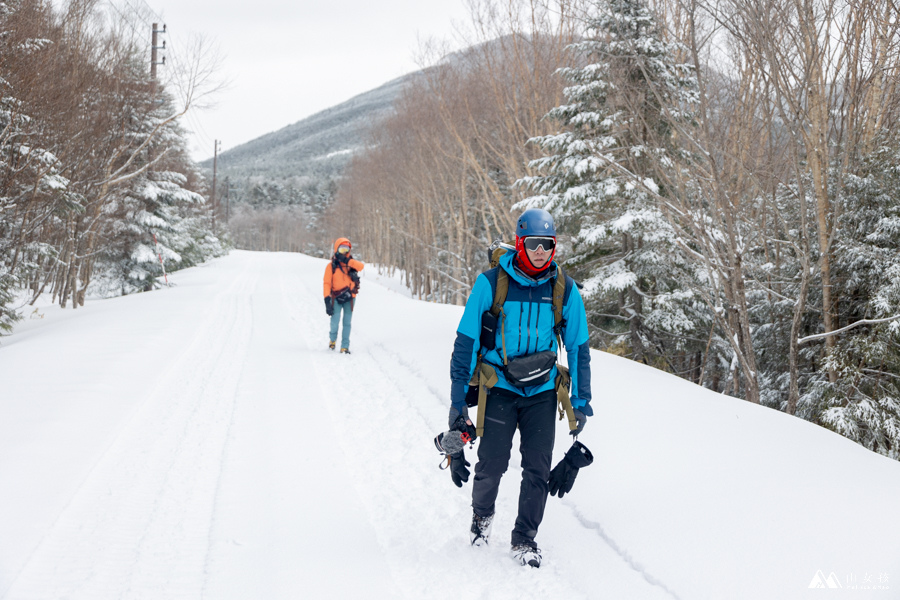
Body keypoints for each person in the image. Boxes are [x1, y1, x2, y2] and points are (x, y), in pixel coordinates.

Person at [447, 208, 592, 568]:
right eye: (533, 244)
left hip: (542, 391)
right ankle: (482, 518)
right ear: (519, 243)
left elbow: (578, 347)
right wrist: (456, 401)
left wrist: (581, 402)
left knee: (537, 469)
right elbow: (465, 342)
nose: (541, 251)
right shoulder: (491, 283)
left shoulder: (564, 289)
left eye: (548, 244)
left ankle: (524, 538)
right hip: (499, 386)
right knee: (491, 464)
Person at [323, 237, 364, 354]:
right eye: (341, 249)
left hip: (350, 299)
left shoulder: (351, 263)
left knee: (347, 323)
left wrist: (347, 261)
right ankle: (332, 340)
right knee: (334, 322)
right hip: (336, 298)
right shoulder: (331, 266)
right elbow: (326, 283)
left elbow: (361, 267)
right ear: (336, 249)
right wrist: (327, 299)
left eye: (347, 249)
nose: (344, 252)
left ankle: (344, 347)